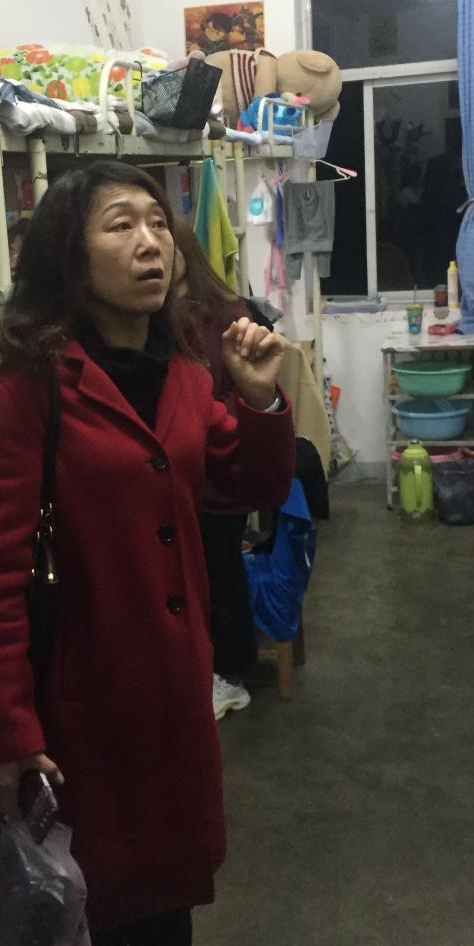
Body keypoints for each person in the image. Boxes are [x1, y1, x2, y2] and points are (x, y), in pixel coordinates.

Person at [0, 161, 294, 946]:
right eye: (120, 224)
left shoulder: (184, 371)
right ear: (70, 253)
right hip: (80, 706)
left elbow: (241, 482)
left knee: (171, 883)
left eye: (157, 223)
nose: (151, 242)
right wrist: (7, 733)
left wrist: (259, 400)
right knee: (87, 914)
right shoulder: (23, 393)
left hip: (173, 691)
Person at [171, 218, 266, 721]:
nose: (153, 252)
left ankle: (231, 673)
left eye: (163, 239)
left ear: (185, 251)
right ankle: (215, 667)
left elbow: (241, 394)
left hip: (219, 467)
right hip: (184, 473)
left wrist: (198, 416)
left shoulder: (226, 314)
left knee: (220, 573)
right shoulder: (155, 316)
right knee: (200, 576)